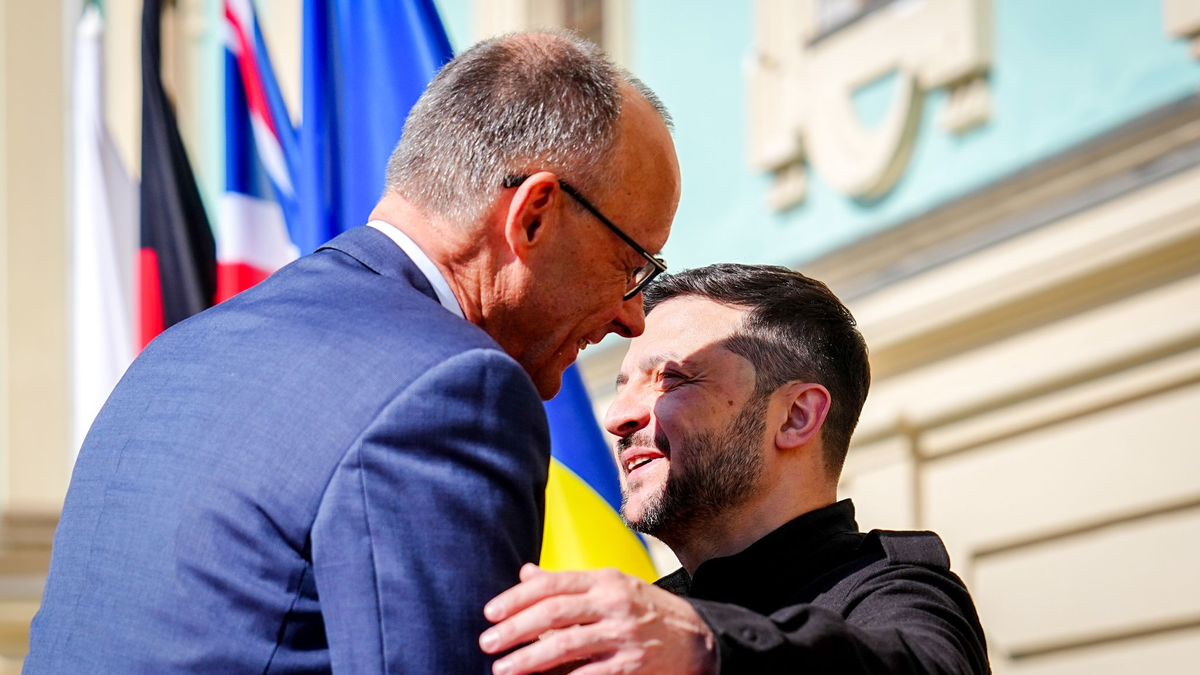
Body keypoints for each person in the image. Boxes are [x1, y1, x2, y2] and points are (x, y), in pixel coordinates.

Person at [25, 32, 680, 674]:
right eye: (631, 266)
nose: (630, 315)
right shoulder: (452, 389)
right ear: (533, 214)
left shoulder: (177, 353)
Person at [481, 264, 989, 675]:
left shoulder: (896, 593)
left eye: (672, 380)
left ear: (795, 417)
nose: (618, 418)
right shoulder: (642, 626)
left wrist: (701, 646)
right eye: (621, 386)